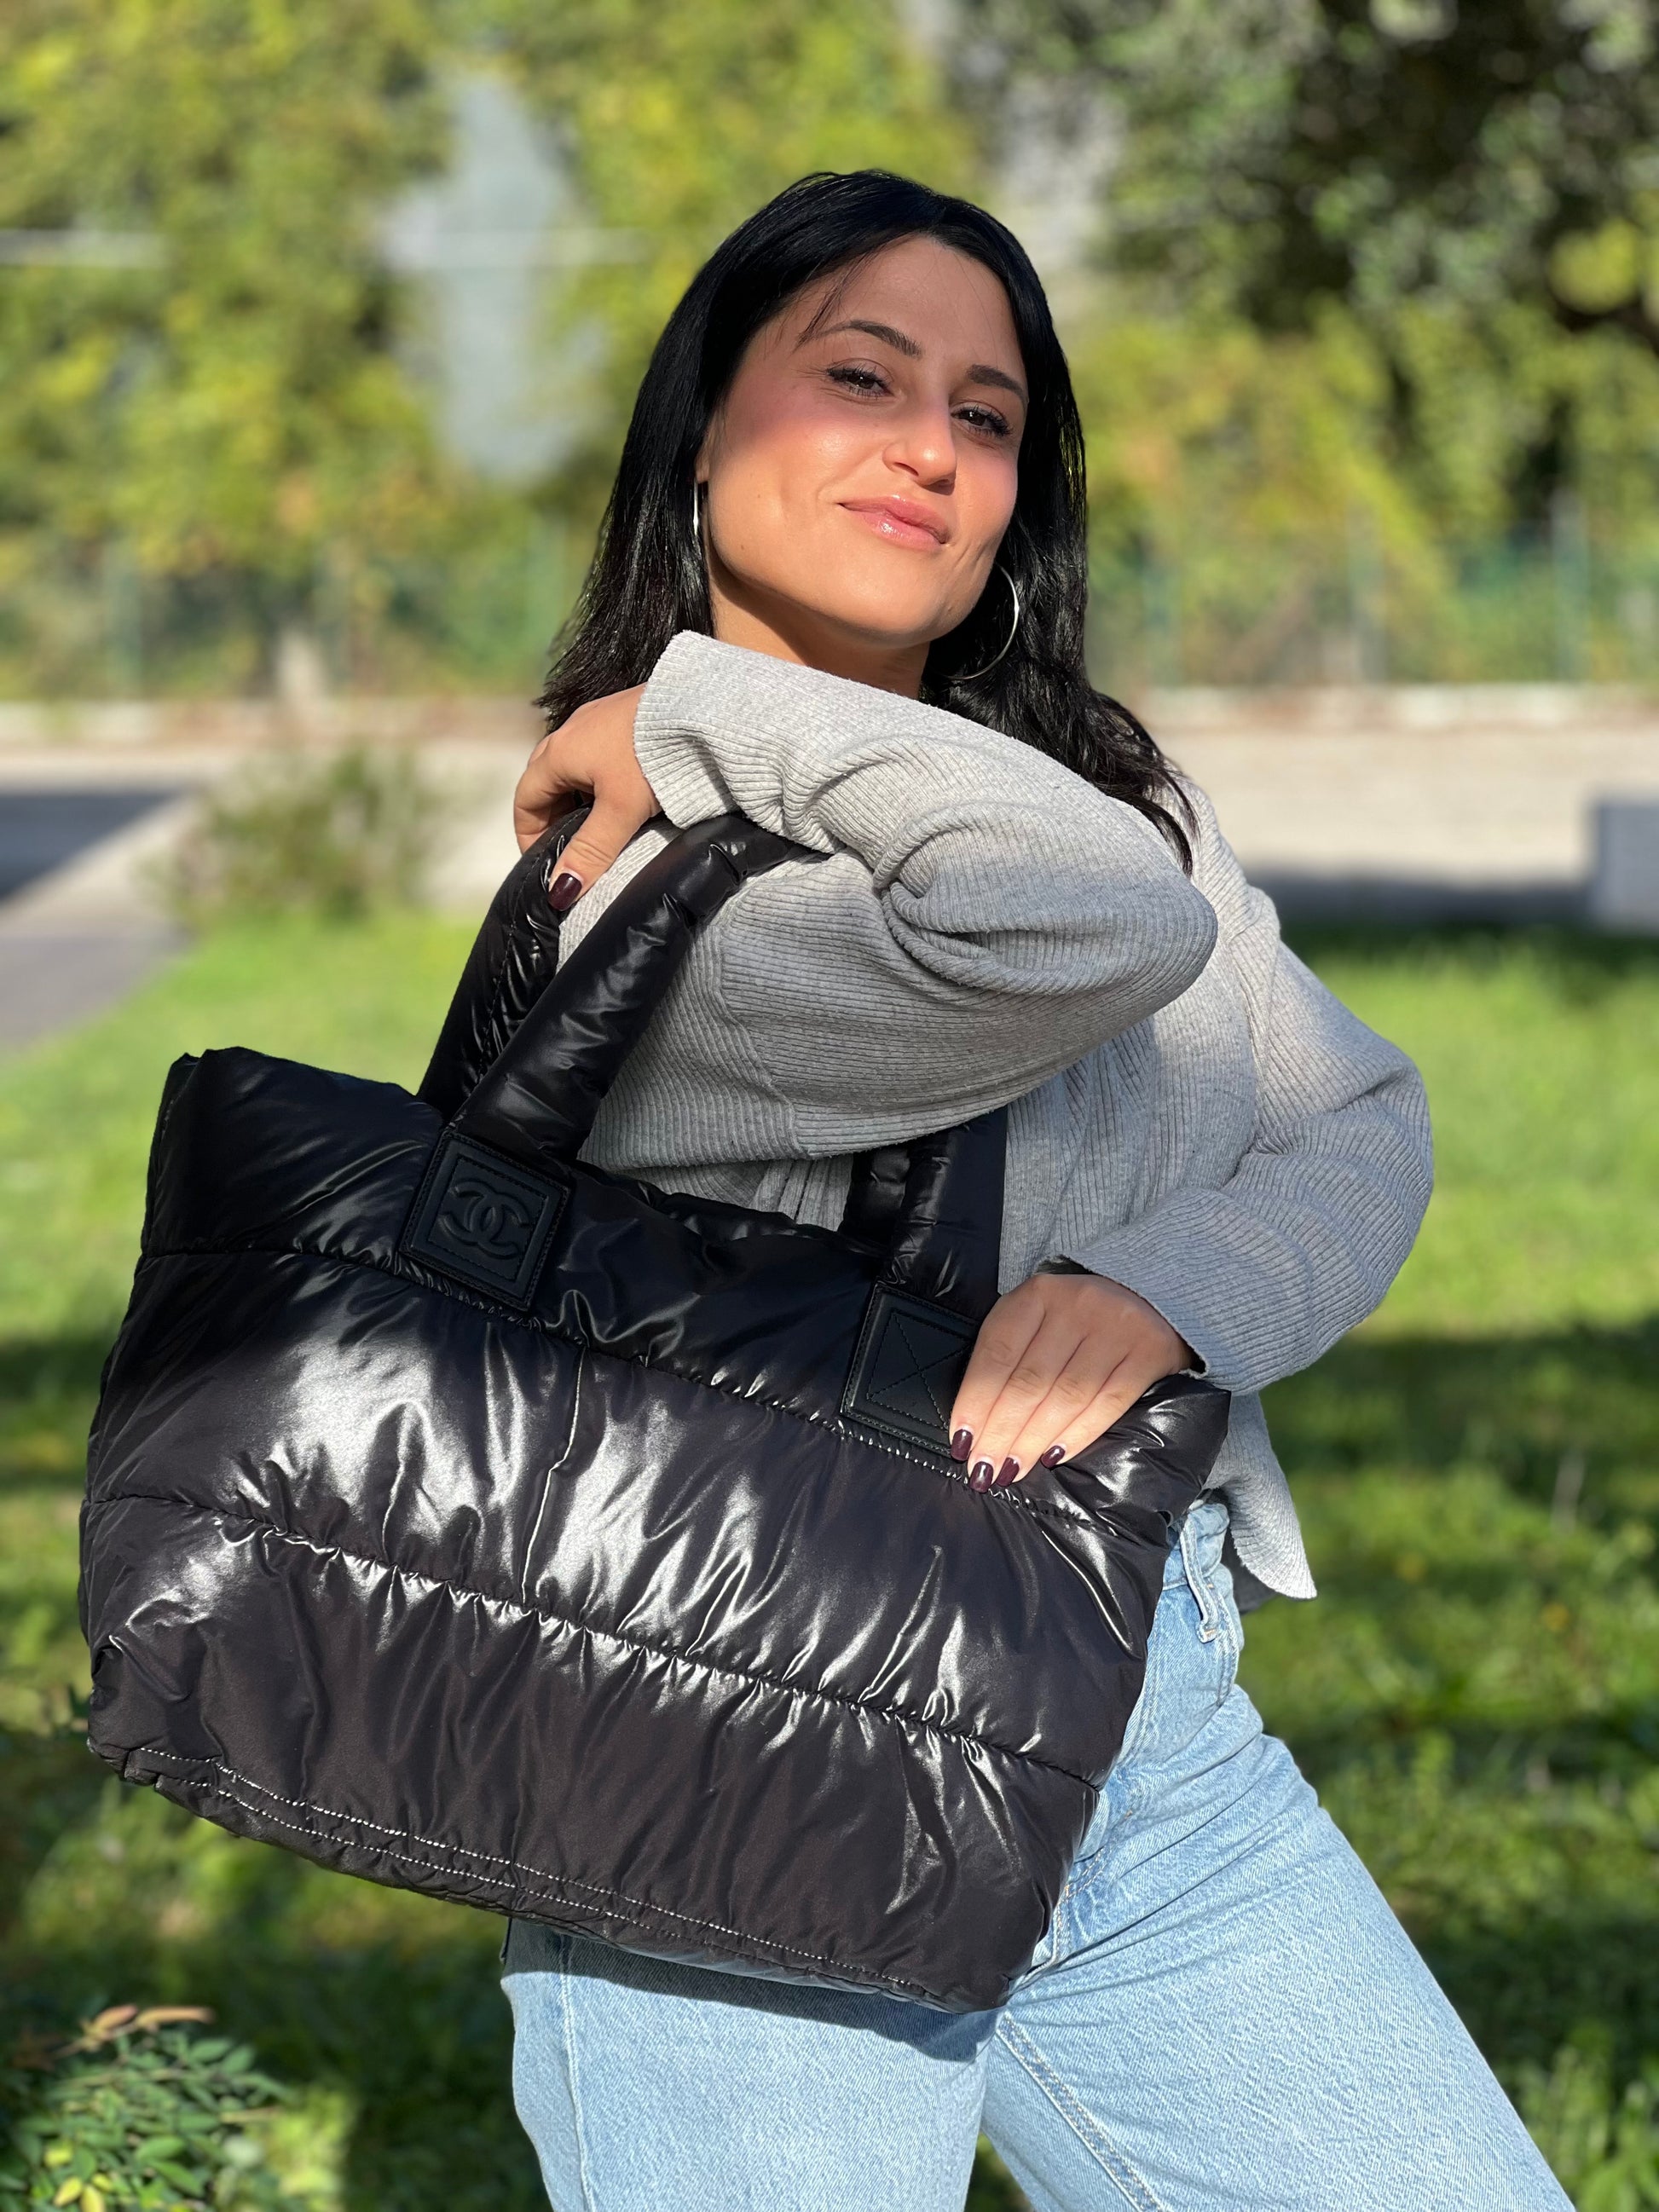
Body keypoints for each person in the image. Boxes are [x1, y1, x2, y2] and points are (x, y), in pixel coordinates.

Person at [501, 170, 1567, 2212]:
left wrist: (1168, 1288)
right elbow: (1090, 922)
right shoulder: (643, 876)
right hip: (736, 1763)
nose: (929, 446)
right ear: (700, 429)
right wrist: (700, 707)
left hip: (1145, 1753)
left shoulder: (1109, 795)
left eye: (984, 415)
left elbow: (1363, 1117)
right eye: (859, 377)